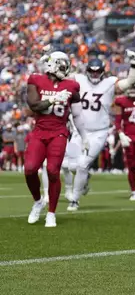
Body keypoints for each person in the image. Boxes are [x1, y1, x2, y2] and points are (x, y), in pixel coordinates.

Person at [66, 53, 135, 211]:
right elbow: (60, 76)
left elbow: (130, 82)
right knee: (71, 166)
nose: (94, 75)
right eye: (92, 72)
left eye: (97, 71)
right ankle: (84, 180)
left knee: (82, 164)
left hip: (98, 132)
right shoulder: (78, 79)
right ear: (87, 71)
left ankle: (75, 199)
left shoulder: (110, 83)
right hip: (80, 131)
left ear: (102, 72)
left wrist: (133, 65)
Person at [25, 51, 85, 228]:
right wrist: (53, 100)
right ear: (53, 64)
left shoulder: (72, 85)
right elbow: (33, 105)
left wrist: (84, 135)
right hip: (39, 131)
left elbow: (77, 114)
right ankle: (38, 202)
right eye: (62, 64)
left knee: (52, 171)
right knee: (29, 169)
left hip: (59, 131)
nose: (65, 68)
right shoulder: (36, 79)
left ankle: (51, 213)